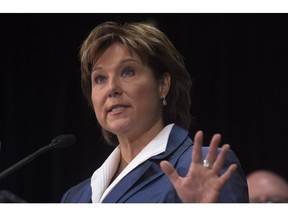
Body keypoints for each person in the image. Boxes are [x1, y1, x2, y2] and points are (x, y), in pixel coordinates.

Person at [61, 21, 248, 203]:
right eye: (100, 78)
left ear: (163, 85)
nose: (111, 88)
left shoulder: (202, 168)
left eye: (127, 72)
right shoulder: (75, 198)